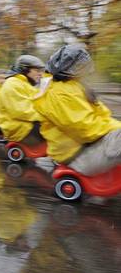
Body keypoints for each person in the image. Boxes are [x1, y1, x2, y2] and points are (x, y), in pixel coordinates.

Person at [33, 45, 121, 176]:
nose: (85, 70)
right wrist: (115, 128)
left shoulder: (71, 86)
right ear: (69, 67)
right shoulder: (59, 93)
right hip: (78, 155)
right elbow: (85, 128)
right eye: (81, 66)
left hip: (82, 148)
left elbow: (100, 116)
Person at [0, 55, 46, 145]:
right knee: (55, 130)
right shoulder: (13, 84)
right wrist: (47, 116)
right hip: (20, 129)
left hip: (25, 125)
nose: (41, 74)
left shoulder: (24, 84)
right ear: (25, 70)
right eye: (37, 70)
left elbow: (39, 101)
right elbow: (23, 111)